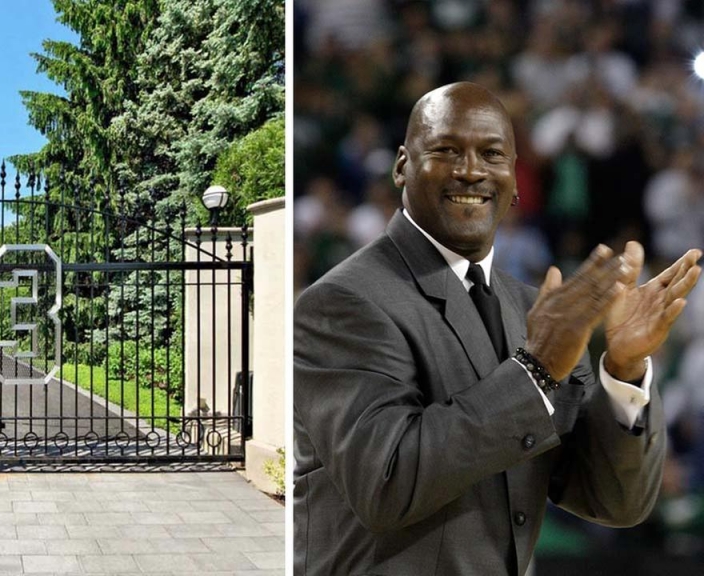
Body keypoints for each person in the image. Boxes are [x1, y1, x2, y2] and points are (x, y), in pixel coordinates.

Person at [293, 82, 702, 576]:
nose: (470, 170)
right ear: (402, 165)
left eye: (491, 153)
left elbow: (614, 501)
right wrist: (534, 370)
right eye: (446, 150)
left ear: (514, 177)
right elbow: (386, 483)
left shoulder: (533, 309)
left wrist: (624, 370)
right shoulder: (342, 303)